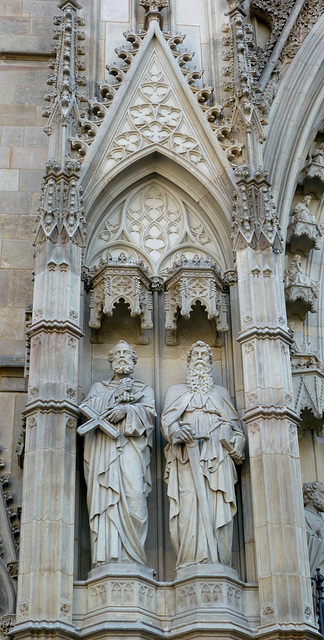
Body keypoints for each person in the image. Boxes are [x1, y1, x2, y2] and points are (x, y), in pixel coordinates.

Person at [161, 341, 245, 568]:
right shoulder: (176, 392)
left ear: (210, 362)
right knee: (189, 507)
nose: (199, 358)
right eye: (195, 354)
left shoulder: (221, 393)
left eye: (204, 355)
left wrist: (237, 443)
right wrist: (178, 432)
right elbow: (167, 423)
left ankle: (220, 562)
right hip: (187, 458)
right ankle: (192, 561)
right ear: (189, 362)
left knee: (219, 506)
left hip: (218, 459)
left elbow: (238, 430)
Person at [79, 341, 155, 567]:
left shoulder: (144, 390)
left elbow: (150, 417)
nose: (122, 356)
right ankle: (107, 558)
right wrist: (114, 397)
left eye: (127, 353)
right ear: (111, 360)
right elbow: (87, 411)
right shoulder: (98, 389)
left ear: (134, 360)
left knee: (134, 498)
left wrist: (127, 410)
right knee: (105, 501)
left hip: (131, 450)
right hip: (104, 454)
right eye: (118, 353)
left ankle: (133, 559)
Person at [303, 481, 324, 576]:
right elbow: (307, 540)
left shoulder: (322, 516)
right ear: (311, 494)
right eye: (322, 493)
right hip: (316, 572)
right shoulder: (303, 515)